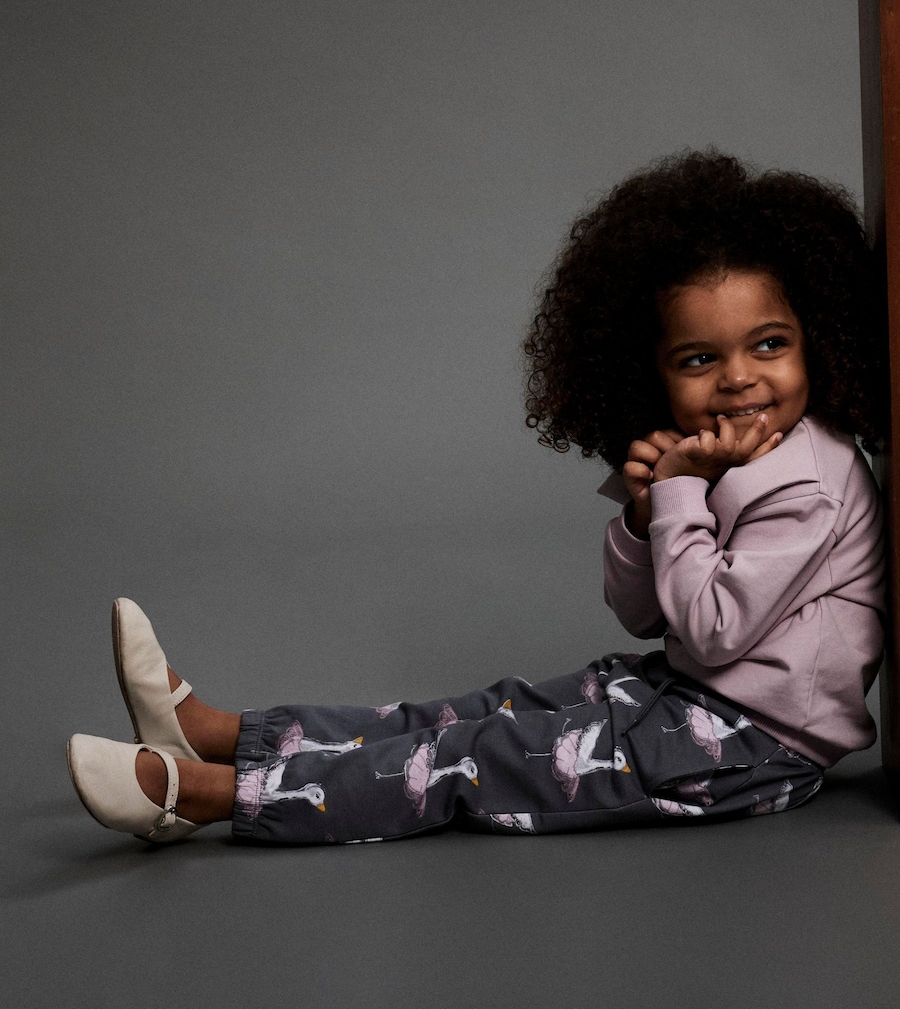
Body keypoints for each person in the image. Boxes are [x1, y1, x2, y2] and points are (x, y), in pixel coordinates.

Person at [67, 149, 888, 845]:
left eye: (769, 344)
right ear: (655, 373)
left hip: (751, 747)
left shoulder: (811, 481)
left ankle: (211, 797)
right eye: (699, 359)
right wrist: (646, 516)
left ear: (817, 338)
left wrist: (677, 495)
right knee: (486, 711)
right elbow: (645, 616)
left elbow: (710, 632)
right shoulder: (716, 459)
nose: (740, 378)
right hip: (689, 696)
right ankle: (226, 737)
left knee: (475, 759)